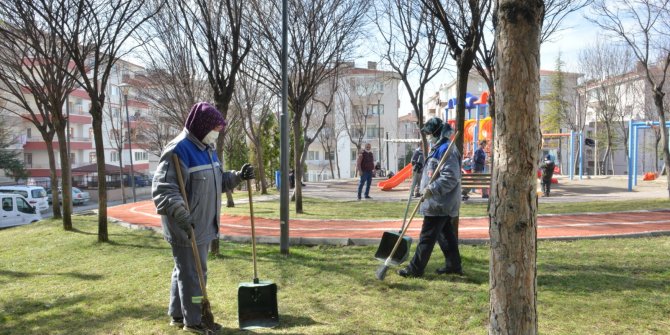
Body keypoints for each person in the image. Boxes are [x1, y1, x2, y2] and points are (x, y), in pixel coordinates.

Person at [152, 102, 254, 334]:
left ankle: (178, 315)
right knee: (193, 274)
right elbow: (164, 189)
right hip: (186, 225)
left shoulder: (207, 149)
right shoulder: (177, 150)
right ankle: (195, 320)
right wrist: (180, 214)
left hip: (204, 223)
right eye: (215, 129)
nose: (217, 134)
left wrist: (238, 176)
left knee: (184, 271)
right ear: (202, 127)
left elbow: (217, 182)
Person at [398, 117, 463, 278]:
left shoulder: (447, 150)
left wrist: (431, 189)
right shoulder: (438, 148)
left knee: (426, 237)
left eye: (429, 133)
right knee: (446, 235)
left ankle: (415, 269)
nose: (427, 136)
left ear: (437, 132)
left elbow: (450, 177)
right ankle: (453, 265)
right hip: (437, 202)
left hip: (439, 202)